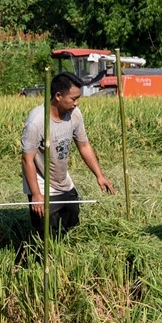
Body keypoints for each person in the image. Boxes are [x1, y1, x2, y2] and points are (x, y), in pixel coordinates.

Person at [21, 71, 116, 236]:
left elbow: (84, 145)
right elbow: (27, 160)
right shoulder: (37, 122)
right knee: (46, 234)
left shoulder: (74, 114)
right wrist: (36, 195)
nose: (77, 103)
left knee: (72, 223)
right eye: (73, 98)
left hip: (63, 180)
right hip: (43, 183)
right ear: (58, 96)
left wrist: (99, 175)